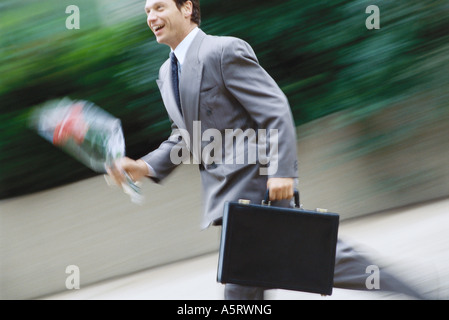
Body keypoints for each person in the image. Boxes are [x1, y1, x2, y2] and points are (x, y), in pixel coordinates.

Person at [107, 0, 428, 300]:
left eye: (159, 7)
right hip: (231, 202)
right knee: (316, 264)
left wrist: (282, 171)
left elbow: (274, 108)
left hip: (257, 191)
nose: (151, 17)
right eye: (147, 11)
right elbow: (186, 135)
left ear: (187, 7)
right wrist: (144, 166)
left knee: (270, 279)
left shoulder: (223, 51)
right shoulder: (166, 74)